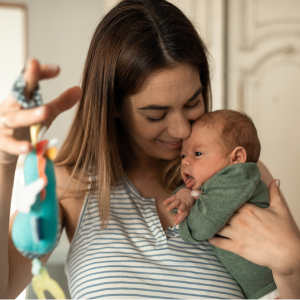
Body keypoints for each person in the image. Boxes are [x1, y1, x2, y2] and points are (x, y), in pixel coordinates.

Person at [0, 0, 300, 299]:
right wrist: (4, 161)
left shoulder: (239, 177)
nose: (182, 130)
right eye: (156, 115)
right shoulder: (68, 185)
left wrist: (294, 270)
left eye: (193, 103)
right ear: (113, 106)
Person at [164, 109, 278, 299]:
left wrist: (187, 222)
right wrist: (185, 194)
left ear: (236, 158)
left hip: (273, 288)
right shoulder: (219, 185)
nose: (185, 162)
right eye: (183, 156)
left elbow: (201, 227)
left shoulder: (236, 178)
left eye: (197, 153)